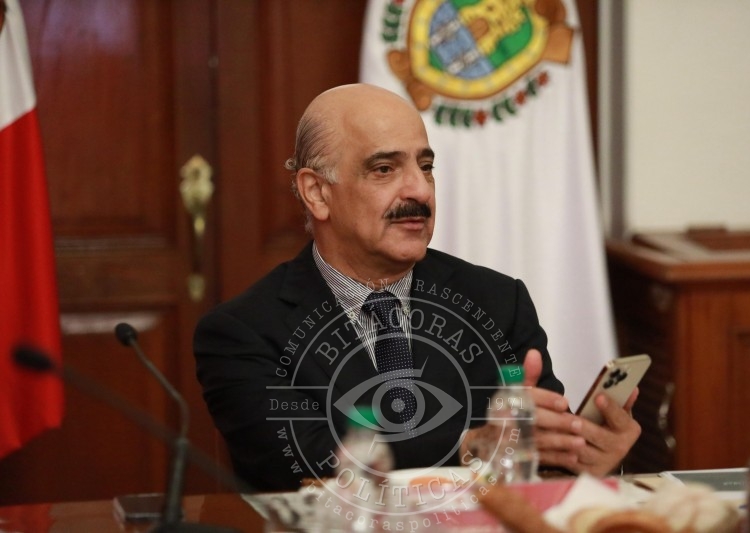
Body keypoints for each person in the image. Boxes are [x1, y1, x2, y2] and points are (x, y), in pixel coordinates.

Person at [193, 83, 641, 492]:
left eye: (426, 167)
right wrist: (468, 445)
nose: (420, 191)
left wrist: (587, 461)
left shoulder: (498, 302)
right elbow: (304, 457)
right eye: (384, 169)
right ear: (317, 193)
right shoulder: (242, 332)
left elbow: (539, 459)